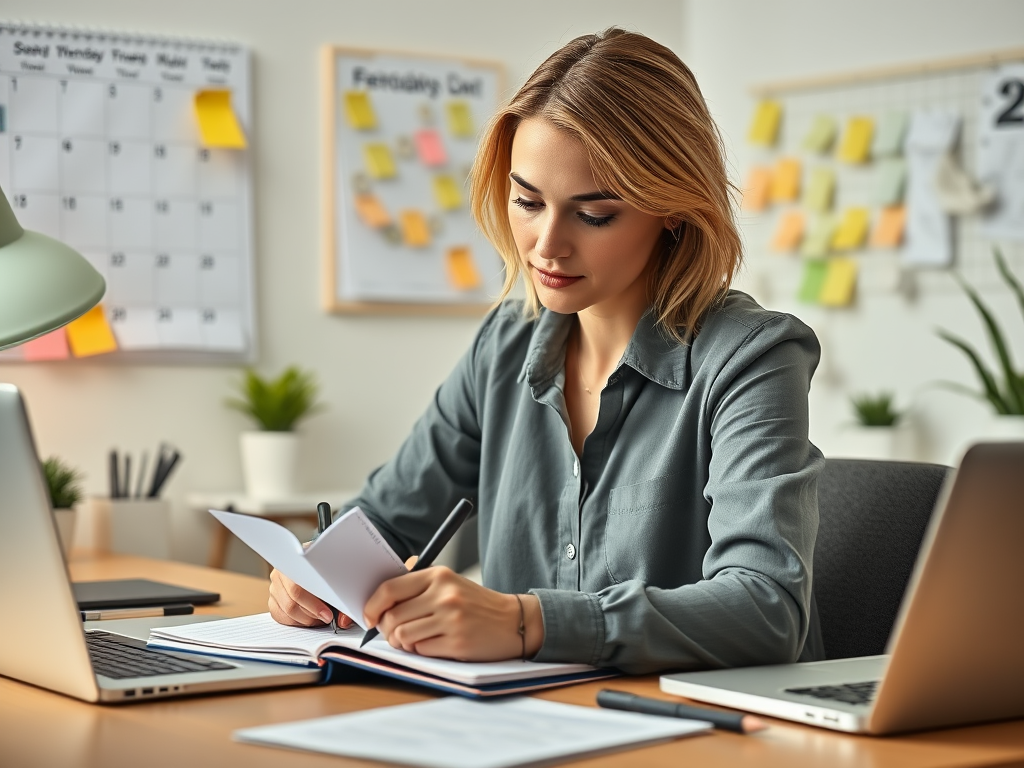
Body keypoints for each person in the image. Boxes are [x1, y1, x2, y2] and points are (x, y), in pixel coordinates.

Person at [269, 28, 825, 674]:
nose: (546, 246)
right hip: (520, 718)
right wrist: (315, 574)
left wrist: (526, 622)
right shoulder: (504, 347)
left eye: (594, 215)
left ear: (673, 209)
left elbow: (766, 608)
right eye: (527, 202)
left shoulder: (753, 358)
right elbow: (387, 520)